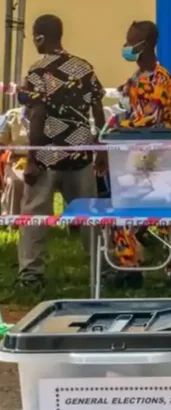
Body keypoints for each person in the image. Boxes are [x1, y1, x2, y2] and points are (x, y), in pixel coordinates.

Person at [16, 14, 107, 288]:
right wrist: (101, 148)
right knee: (90, 214)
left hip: (47, 156)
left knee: (34, 214)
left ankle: (31, 274)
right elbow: (98, 110)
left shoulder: (37, 72)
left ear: (40, 37)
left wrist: (32, 158)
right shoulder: (84, 68)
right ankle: (102, 268)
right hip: (80, 153)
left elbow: (37, 115)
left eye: (34, 36)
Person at [106, 20, 171, 288]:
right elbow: (131, 107)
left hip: (158, 155)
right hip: (132, 153)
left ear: (145, 44)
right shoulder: (136, 78)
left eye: (130, 41)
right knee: (123, 213)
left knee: (164, 219)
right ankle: (129, 268)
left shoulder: (162, 80)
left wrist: (117, 124)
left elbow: (150, 120)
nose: (126, 46)